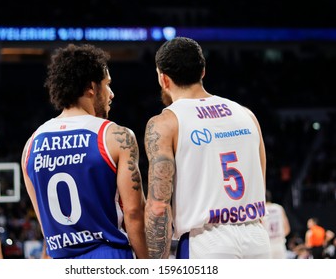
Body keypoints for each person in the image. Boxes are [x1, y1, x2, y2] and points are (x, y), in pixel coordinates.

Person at [144, 37, 271, 259]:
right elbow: (260, 177)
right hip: (257, 237)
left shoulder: (165, 123)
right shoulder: (247, 114)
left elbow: (158, 207)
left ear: (163, 79)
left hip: (206, 241)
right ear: (203, 71)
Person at [21, 43, 148, 259]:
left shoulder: (31, 145)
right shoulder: (115, 136)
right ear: (91, 87)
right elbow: (134, 213)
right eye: (107, 84)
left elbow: (45, 224)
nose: (111, 94)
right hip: (107, 256)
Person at [262, 190, 291, 258]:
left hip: (268, 245)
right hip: (280, 245)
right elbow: (287, 229)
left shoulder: (261, 210)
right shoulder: (279, 208)